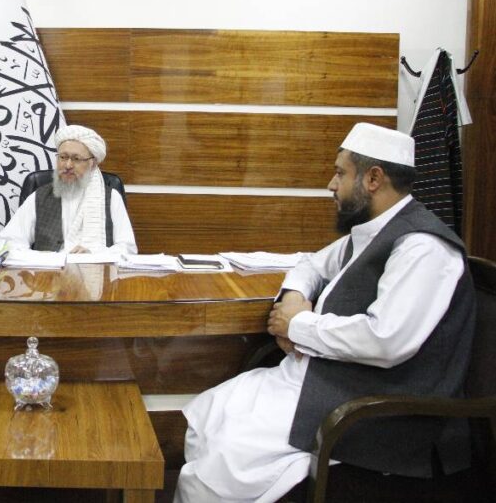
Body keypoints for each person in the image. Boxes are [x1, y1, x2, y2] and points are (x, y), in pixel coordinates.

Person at [174, 122, 475, 503]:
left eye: (340, 173)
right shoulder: (373, 231)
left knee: (221, 464)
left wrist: (297, 325)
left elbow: (385, 340)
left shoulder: (423, 248)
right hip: (334, 380)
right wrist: (294, 299)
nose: (332, 185)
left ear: (373, 179)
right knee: (210, 415)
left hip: (378, 408)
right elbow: (310, 264)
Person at [0, 124, 137, 254]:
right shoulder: (39, 196)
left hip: (96, 270)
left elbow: (127, 248)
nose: (68, 165)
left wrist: (95, 254)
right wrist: (42, 259)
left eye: (76, 159)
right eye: (63, 157)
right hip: (47, 271)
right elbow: (10, 242)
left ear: (93, 163)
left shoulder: (112, 198)